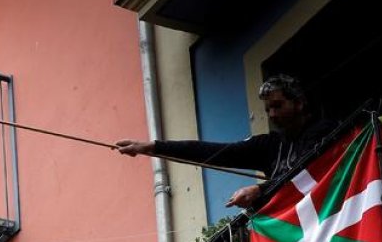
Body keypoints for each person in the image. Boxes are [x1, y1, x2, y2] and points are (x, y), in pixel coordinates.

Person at [114, 74, 338, 208]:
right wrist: (150, 147)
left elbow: (313, 170)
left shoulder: (324, 130)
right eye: (268, 109)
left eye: (277, 106)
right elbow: (213, 152)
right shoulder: (270, 145)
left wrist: (261, 190)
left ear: (298, 103)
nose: (271, 115)